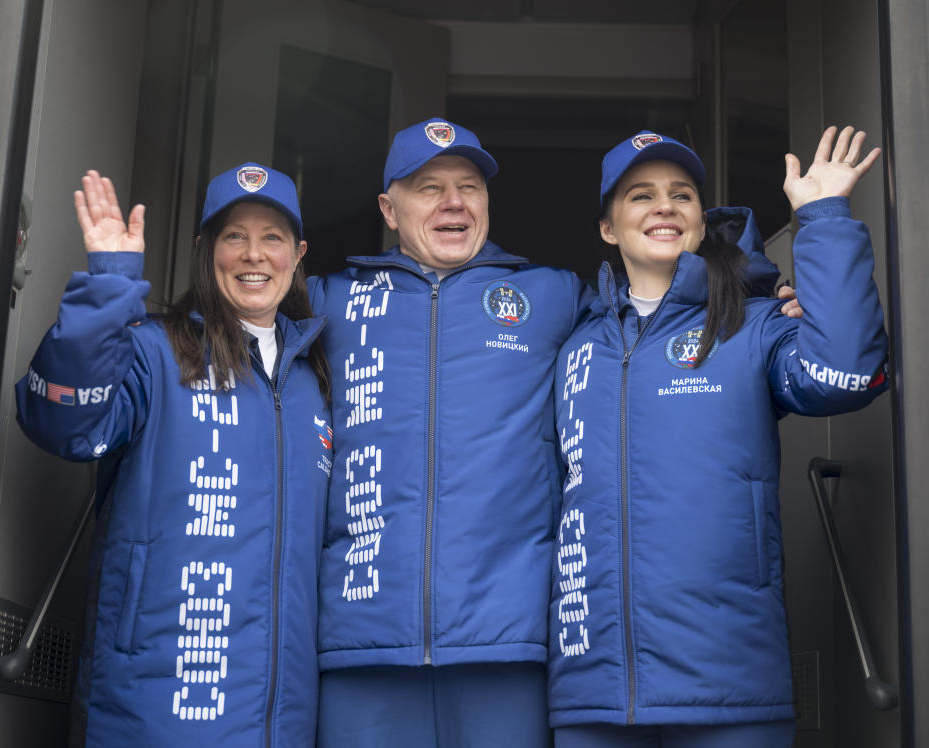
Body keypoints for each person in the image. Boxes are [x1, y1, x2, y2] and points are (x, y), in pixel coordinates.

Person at [308, 118, 802, 747]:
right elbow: (241, 317)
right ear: (389, 207)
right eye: (429, 187)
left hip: (509, 641)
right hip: (360, 637)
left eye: (469, 186)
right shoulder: (327, 303)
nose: (454, 202)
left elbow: (659, 313)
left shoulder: (553, 297)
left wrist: (750, 287)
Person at [548, 126, 888, 748]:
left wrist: (823, 216)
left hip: (729, 684)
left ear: (702, 221)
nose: (664, 207)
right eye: (640, 196)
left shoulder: (751, 325)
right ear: (607, 227)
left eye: (682, 195)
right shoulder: (574, 345)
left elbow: (847, 375)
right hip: (591, 691)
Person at [15, 164, 331, 746]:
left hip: (281, 721)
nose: (253, 254)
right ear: (205, 249)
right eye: (234, 235)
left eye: (273, 237)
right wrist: (109, 286)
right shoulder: (154, 351)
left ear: (299, 252)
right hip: (152, 709)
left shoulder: (317, 380)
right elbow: (60, 422)